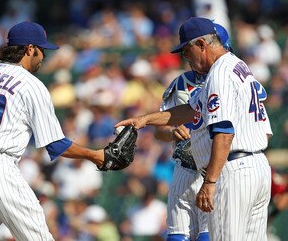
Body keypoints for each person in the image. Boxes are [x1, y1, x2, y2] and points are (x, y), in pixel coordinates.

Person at [0, 21, 105, 240]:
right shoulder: (31, 84)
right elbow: (55, 145)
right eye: (42, 50)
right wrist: (95, 155)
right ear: (29, 49)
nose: (43, 56)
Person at [116, 17, 272, 240]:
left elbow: (224, 132)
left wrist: (209, 182)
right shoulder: (238, 66)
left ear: (201, 44)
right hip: (256, 167)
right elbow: (191, 110)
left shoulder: (219, 74)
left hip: (233, 169)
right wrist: (145, 119)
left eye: (186, 50)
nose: (185, 57)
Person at [154, 22, 232, 241]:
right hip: (185, 168)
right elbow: (158, 131)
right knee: (176, 237)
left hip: (216, 170)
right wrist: (170, 131)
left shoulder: (229, 79)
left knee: (209, 236)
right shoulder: (181, 82)